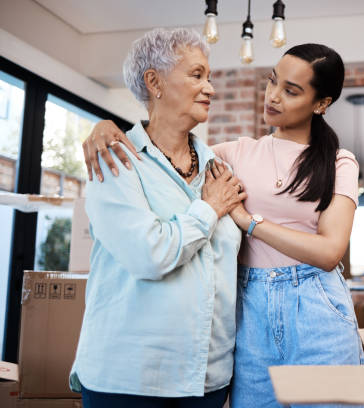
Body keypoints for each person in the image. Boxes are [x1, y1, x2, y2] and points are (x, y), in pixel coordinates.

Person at [82, 43, 364, 408]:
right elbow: (165, 145)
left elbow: (329, 252)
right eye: (272, 82)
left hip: (316, 306)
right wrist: (104, 127)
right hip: (249, 310)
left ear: (321, 103)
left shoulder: (340, 162)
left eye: (291, 91)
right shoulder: (231, 155)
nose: (274, 97)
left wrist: (250, 223)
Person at [70, 28, 247, 408]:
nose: (210, 88)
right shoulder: (116, 159)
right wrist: (209, 209)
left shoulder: (220, 168)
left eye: (210, 77)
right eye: (197, 75)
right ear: (155, 82)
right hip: (131, 378)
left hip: (207, 377)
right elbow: (149, 254)